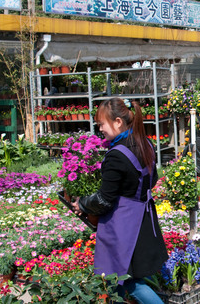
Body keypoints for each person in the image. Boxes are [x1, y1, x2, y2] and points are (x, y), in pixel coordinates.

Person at [71, 98, 168, 304]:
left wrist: (82, 204)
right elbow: (154, 179)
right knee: (125, 280)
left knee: (126, 280)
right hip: (143, 220)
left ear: (117, 122)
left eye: (101, 124)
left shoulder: (116, 155)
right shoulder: (145, 143)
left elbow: (105, 200)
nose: (100, 130)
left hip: (122, 226)